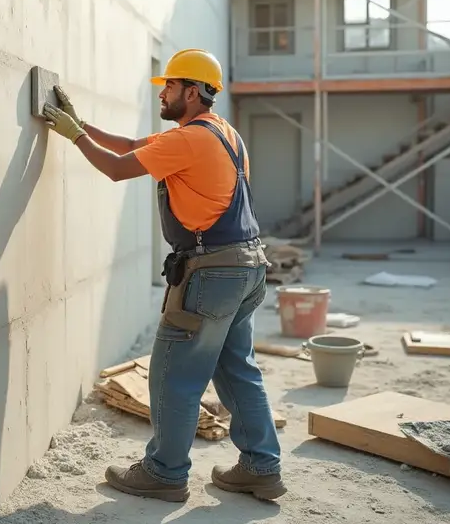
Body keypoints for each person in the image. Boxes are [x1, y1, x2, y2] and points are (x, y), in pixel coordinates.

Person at [41, 48, 285, 503]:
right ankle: (261, 467)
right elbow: (134, 148)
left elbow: (117, 169)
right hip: (247, 268)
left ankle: (165, 473)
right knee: (237, 370)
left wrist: (74, 137)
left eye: (170, 85)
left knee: (174, 374)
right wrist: (82, 125)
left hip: (212, 274)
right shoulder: (223, 134)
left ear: (192, 92)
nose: (163, 92)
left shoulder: (189, 139)